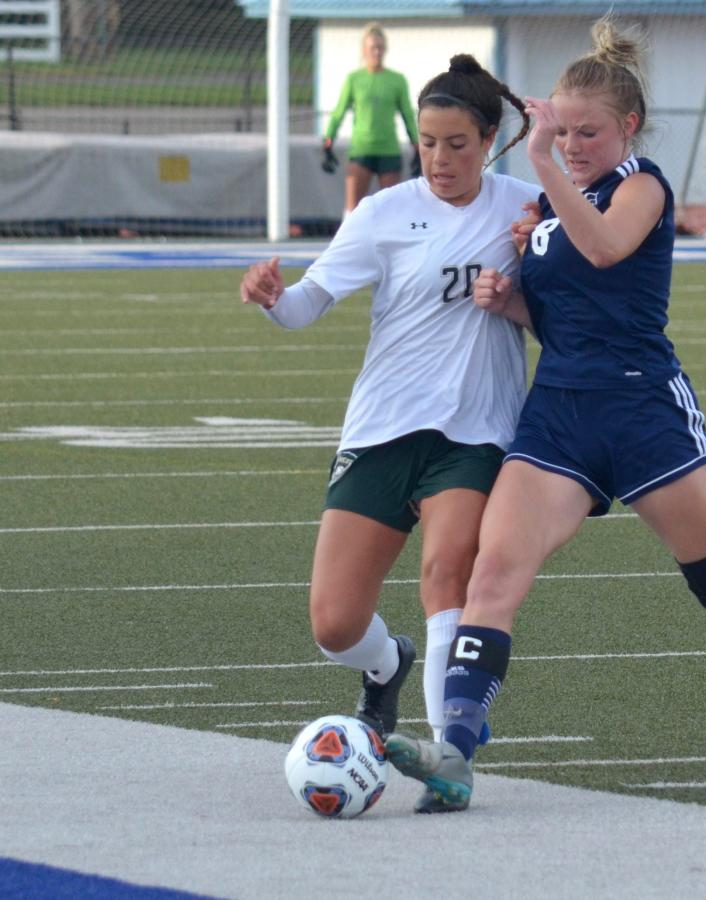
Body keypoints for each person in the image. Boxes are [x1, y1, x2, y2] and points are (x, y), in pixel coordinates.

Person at [385, 16, 706, 813]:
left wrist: (542, 166)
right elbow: (565, 315)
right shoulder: (548, 205)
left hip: (645, 412)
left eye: (588, 132)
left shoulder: (640, 186)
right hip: (559, 417)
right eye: (562, 131)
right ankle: (457, 752)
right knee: (493, 574)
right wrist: (511, 304)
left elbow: (608, 249)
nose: (572, 144)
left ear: (628, 128)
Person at [241, 55, 537, 814]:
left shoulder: (529, 208)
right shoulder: (382, 211)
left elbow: (575, 303)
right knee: (335, 623)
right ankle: (386, 667)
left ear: (491, 140)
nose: (439, 160)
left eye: (457, 145)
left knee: (448, 573)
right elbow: (308, 303)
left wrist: (518, 292)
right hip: (381, 430)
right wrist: (274, 297)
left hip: (473, 435)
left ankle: (449, 755)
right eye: (428, 143)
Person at [322, 22, 420, 216]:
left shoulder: (397, 80)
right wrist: (328, 142)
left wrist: (417, 146)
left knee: (391, 210)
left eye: (380, 48)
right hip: (362, 151)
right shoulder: (354, 79)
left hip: (388, 150)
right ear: (364, 50)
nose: (377, 52)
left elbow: (408, 115)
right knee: (353, 211)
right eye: (373, 48)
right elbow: (338, 112)